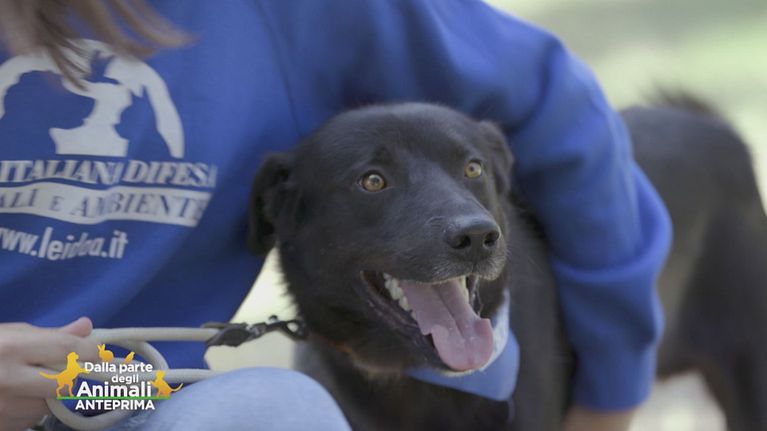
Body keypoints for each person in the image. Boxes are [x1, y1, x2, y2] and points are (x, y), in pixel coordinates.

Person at [0, 1, 671, 430]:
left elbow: (558, 105)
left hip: (120, 392)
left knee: (274, 412)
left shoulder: (277, 13)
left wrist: (609, 390)